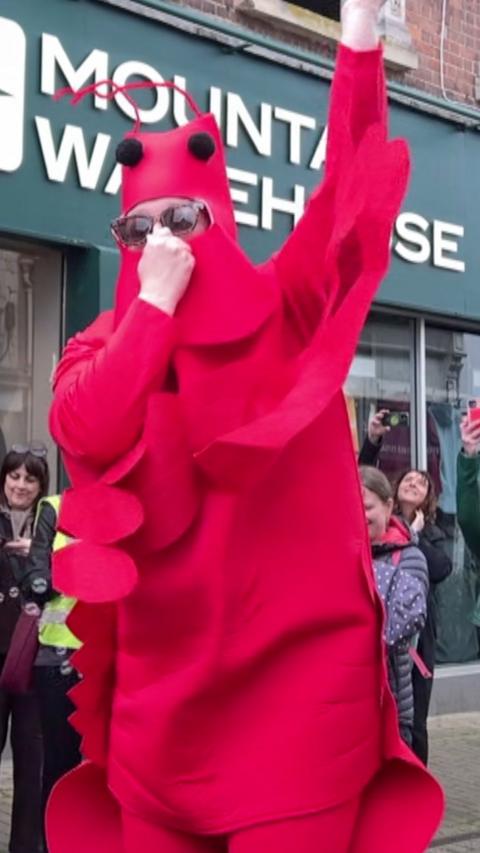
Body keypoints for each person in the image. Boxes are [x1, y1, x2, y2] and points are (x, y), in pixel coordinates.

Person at [47, 1, 444, 851]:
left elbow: (351, 197)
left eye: (181, 220)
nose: (163, 242)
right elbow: (86, 425)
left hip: (299, 705)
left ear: (217, 216)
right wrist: (152, 311)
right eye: (140, 228)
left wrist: (361, 42)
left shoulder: (284, 307)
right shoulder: (101, 344)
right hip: (161, 722)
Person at [21, 494, 82, 850]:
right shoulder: (55, 508)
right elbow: (34, 579)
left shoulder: (126, 508)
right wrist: (85, 570)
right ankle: (55, 843)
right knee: (61, 763)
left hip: (114, 657)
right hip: (58, 660)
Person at [0, 443, 49, 853]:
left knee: (32, 765)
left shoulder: (51, 525)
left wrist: (37, 554)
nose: (21, 485)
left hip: (35, 660)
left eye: (30, 479)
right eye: (14, 476)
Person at [360, 466, 429, 747]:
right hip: (345, 705)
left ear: (388, 507)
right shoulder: (336, 553)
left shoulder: (409, 557)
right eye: (352, 507)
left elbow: (398, 625)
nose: (360, 515)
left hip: (390, 707)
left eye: (367, 507)